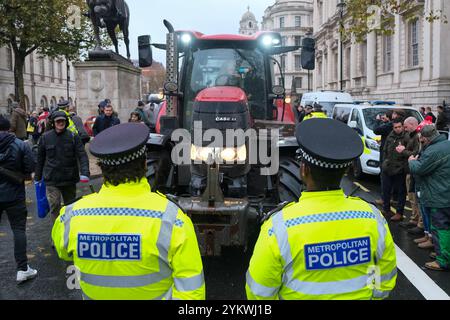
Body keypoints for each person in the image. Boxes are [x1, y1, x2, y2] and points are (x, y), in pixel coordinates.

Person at [246, 118, 397, 300]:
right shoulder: (373, 218)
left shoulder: (279, 227)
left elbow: (259, 293)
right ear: (345, 171)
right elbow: (384, 277)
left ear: (304, 170)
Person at [51, 123, 205, 300]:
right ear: (144, 163)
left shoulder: (70, 217)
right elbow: (191, 292)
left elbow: (63, 253)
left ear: (102, 166)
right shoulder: (173, 220)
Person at [35, 111, 90, 224]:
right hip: (52, 178)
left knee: (70, 207)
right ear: (53, 123)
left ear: (66, 122)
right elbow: (40, 159)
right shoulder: (45, 138)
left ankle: (69, 230)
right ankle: (57, 233)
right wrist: (37, 177)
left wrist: (85, 172)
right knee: (55, 205)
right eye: (58, 121)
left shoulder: (73, 136)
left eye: (63, 121)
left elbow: (82, 155)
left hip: (69, 178)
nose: (61, 123)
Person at [0, 115, 37, 282]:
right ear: (8, 128)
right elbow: (30, 166)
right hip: (14, 193)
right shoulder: (20, 144)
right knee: (18, 230)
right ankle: (22, 269)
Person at [409, 124, 450, 271]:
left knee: (440, 228)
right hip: (445, 192)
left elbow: (419, 168)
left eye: (422, 140)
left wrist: (412, 161)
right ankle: (444, 254)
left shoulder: (433, 150)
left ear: (425, 138)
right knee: (445, 227)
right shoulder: (446, 144)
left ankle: (443, 261)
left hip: (438, 195)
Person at [395, 117, 421, 228]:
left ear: (412, 124)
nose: (404, 129)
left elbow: (415, 153)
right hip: (409, 169)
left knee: (415, 198)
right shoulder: (411, 135)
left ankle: (419, 223)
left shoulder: (417, 136)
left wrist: (403, 150)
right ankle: (414, 219)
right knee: (411, 197)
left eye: (405, 127)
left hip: (413, 171)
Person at [381, 118, 409, 221]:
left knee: (401, 192)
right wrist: (384, 162)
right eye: (395, 127)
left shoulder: (406, 137)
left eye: (399, 127)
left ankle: (399, 213)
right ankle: (386, 209)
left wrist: (403, 167)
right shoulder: (390, 136)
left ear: (402, 126)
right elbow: (385, 150)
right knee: (386, 189)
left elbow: (408, 153)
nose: (397, 129)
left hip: (399, 169)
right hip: (388, 167)